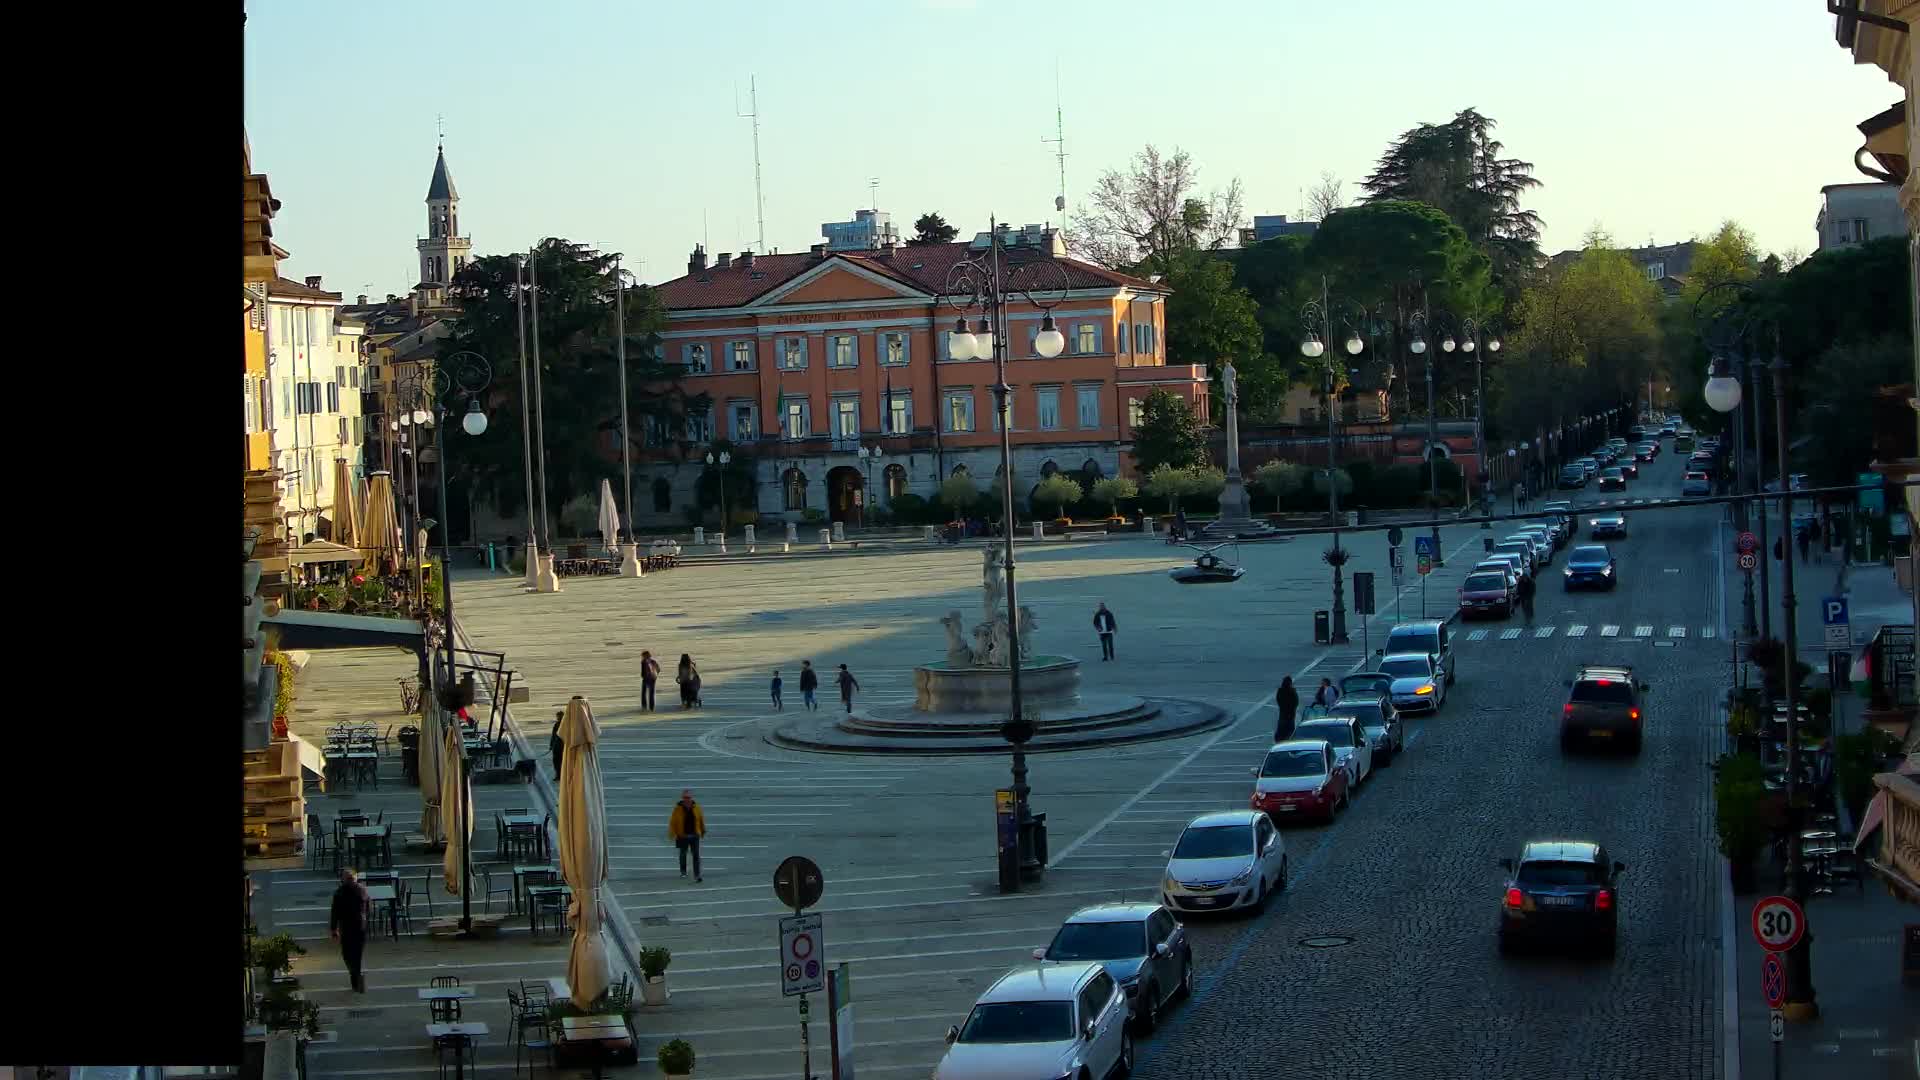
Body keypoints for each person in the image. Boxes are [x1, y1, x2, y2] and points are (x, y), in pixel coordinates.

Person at [327, 867, 370, 993]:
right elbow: (369, 908)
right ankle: (357, 977)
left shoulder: (340, 893)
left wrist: (334, 929)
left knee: (348, 955)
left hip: (347, 927)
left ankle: (355, 977)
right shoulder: (362, 890)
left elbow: (334, 912)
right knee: (356, 955)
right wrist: (365, 920)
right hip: (358, 927)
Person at [667, 789, 706, 883]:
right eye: (685, 797)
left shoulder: (697, 808)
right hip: (682, 835)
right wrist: (672, 834)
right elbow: (673, 822)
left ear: (691, 798)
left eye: (688, 797)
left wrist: (702, 831)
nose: (687, 799)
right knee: (683, 854)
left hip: (694, 835)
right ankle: (683, 871)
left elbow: (700, 819)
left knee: (696, 855)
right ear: (682, 798)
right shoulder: (677, 809)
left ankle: (697, 875)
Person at [1275, 676, 1300, 742]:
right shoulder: (1292, 691)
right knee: (1290, 731)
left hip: (1283, 713)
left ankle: (1280, 742)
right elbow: (1296, 701)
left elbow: (1278, 700)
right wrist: (1293, 708)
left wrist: (1282, 707)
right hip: (1291, 714)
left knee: (1281, 729)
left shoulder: (1280, 690)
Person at [549, 711, 565, 782]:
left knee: (562, 762)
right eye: (558, 716)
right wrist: (551, 745)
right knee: (556, 762)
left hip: (562, 747)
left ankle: (561, 776)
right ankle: (558, 775)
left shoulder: (566, 725)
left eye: (559, 716)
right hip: (556, 747)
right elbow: (553, 735)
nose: (558, 718)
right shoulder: (556, 724)